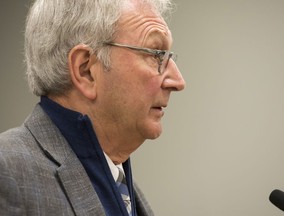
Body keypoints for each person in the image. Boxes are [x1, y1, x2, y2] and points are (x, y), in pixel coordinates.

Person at [0, 0, 185, 215]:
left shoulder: (123, 186)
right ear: (86, 70)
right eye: (155, 54)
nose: (178, 81)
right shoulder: (7, 173)